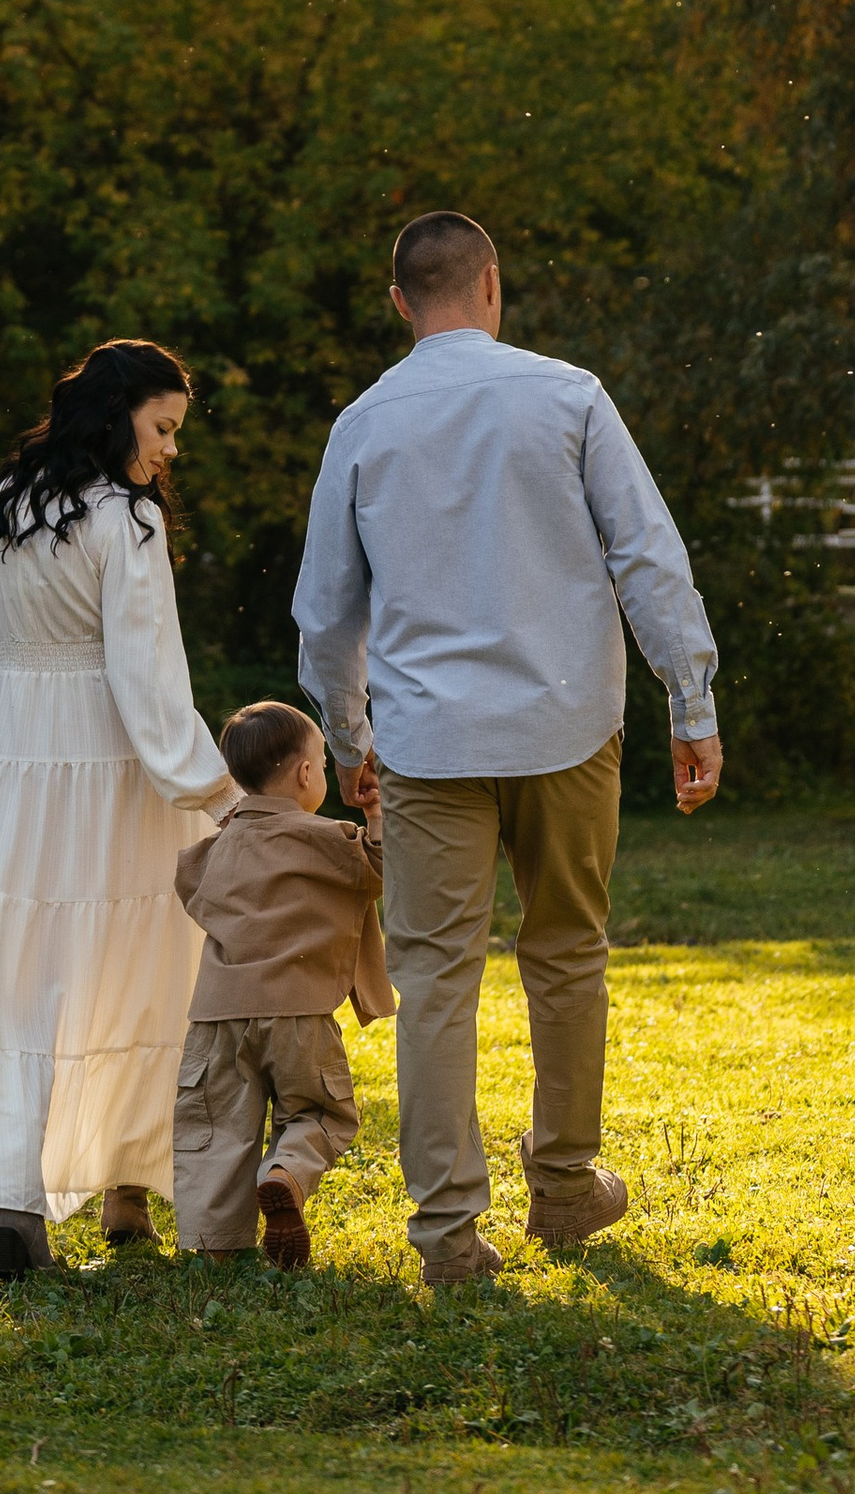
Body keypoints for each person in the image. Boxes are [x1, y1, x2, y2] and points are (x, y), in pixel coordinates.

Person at [292, 212, 721, 1288]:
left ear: (400, 303)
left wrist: (350, 738)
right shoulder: (566, 396)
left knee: (435, 978)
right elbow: (646, 554)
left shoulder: (364, 423)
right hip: (565, 726)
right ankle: (566, 1188)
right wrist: (692, 699)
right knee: (566, 951)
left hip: (428, 741)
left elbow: (324, 613)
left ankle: (447, 1232)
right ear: (491, 284)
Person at [0, 340, 233, 1281]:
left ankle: (15, 1204)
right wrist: (218, 792)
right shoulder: (126, 523)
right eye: (163, 429)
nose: (170, 452)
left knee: (23, 982)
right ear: (117, 419)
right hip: (116, 769)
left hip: (25, 771)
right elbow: (147, 686)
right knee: (140, 969)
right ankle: (126, 1191)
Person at [170, 699, 394, 1270]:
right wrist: (376, 815)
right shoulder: (326, 839)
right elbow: (381, 868)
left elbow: (191, 885)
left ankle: (217, 1248)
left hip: (217, 1017)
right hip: (299, 1014)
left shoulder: (212, 851)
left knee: (217, 1130)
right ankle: (285, 1174)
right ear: (304, 774)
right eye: (320, 763)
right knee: (321, 1113)